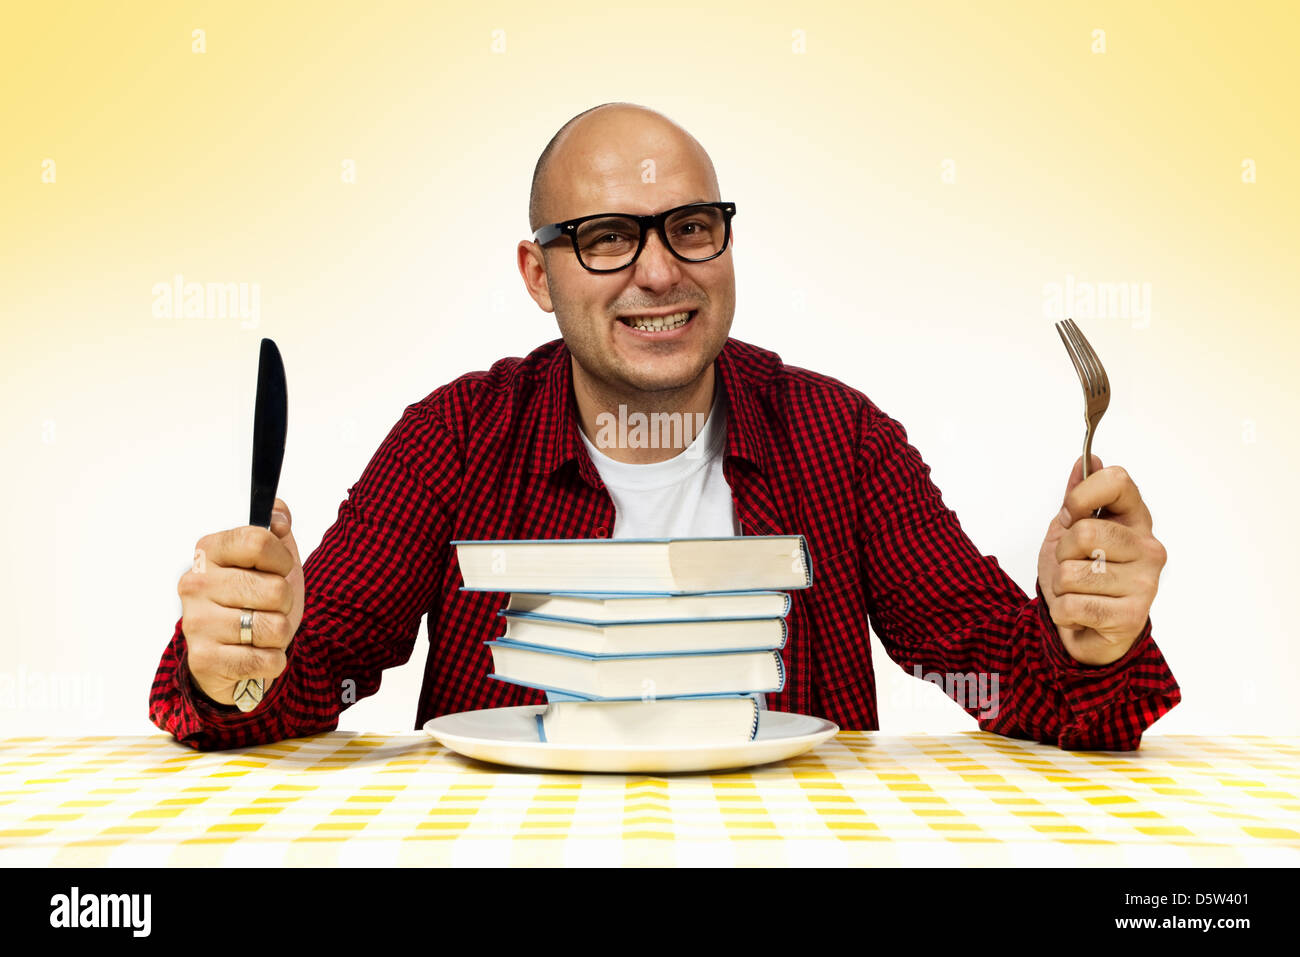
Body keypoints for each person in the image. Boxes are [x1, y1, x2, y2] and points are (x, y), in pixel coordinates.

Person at [151, 102, 1178, 752]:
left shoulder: (842, 439)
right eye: (603, 238)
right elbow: (300, 671)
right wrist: (234, 661)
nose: (658, 271)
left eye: (690, 228)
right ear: (537, 275)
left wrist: (1095, 636)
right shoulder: (457, 438)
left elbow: (1015, 683)